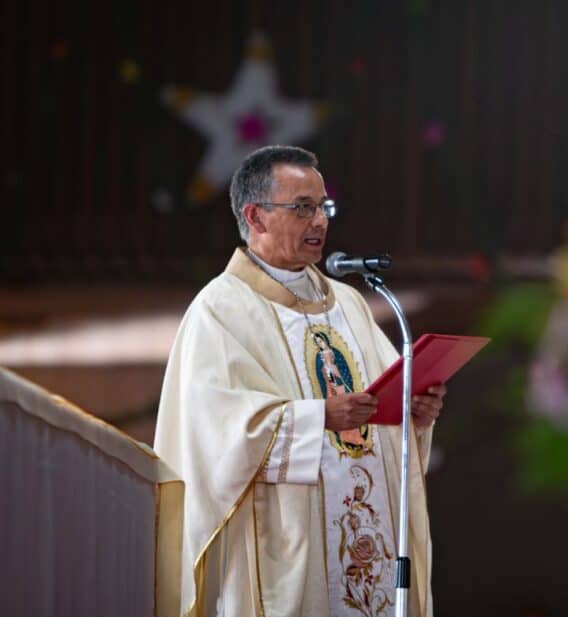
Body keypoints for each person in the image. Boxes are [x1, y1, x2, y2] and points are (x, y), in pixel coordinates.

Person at [154, 145, 445, 617]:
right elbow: (213, 436)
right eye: (303, 208)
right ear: (256, 216)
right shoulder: (219, 312)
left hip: (369, 531)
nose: (321, 222)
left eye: (324, 207)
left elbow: (386, 402)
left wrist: (415, 411)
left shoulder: (349, 303)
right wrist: (318, 419)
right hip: (288, 550)